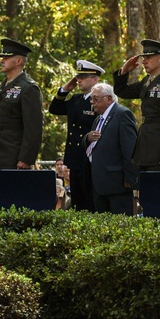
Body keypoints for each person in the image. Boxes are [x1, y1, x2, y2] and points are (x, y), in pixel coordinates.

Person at [113, 39, 160, 172]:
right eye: (144, 57)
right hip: (145, 149)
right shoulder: (147, 82)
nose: (144, 61)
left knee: (159, 191)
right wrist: (124, 72)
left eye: (148, 57)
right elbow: (121, 91)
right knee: (145, 191)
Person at [0, 38, 43, 170]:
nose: (2, 60)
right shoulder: (5, 85)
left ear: (18, 61)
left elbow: (34, 128)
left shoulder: (28, 88)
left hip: (16, 157)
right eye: (2, 57)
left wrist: (26, 158)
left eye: (7, 58)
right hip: (0, 155)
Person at [48, 60, 103, 211]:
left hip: (89, 157)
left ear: (94, 79)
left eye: (83, 76)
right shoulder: (76, 99)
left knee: (89, 199)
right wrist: (65, 89)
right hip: (75, 157)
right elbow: (54, 109)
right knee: (77, 200)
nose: (79, 80)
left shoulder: (100, 101)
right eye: (78, 76)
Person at [83, 83, 138, 215]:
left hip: (117, 184)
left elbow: (130, 149)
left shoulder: (122, 114)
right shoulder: (98, 119)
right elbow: (94, 144)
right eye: (91, 99)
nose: (92, 102)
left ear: (108, 99)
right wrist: (87, 138)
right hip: (99, 183)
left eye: (95, 99)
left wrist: (130, 178)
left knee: (120, 226)